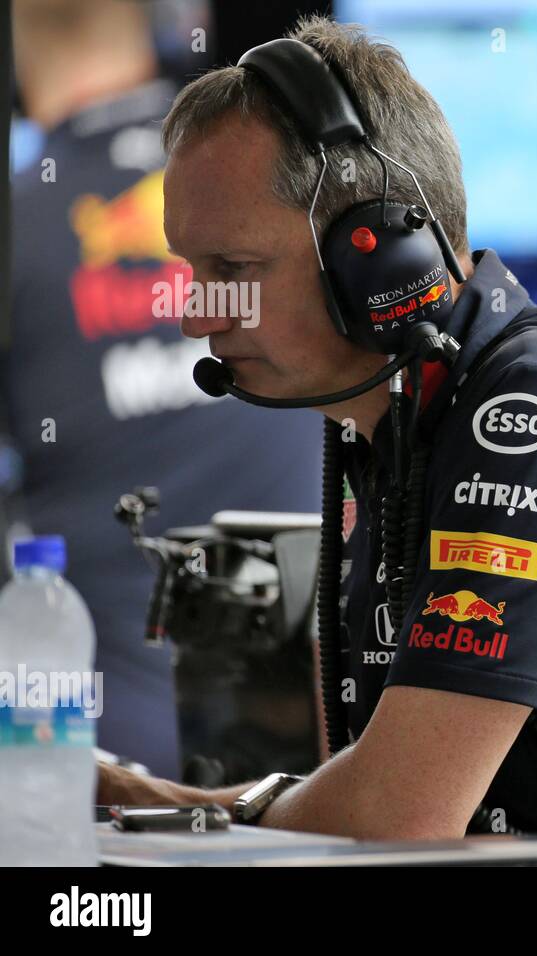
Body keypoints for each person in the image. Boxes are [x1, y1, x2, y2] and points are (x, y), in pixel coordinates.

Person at [93, 15, 537, 861]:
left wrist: (172, 804)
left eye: (234, 272)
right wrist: (152, 800)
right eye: (190, 273)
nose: (201, 313)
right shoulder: (401, 420)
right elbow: (372, 791)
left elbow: (397, 819)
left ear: (380, 258)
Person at [2, 0, 323, 778]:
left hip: (110, 774)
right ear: (178, 21)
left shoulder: (24, 220)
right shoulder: (302, 186)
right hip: (340, 743)